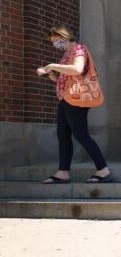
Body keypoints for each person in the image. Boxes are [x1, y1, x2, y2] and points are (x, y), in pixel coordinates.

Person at [35, 25, 112, 184]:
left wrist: (52, 65)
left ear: (65, 36)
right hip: (66, 99)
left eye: (57, 40)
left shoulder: (78, 50)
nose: (55, 44)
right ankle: (63, 172)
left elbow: (77, 69)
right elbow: (64, 79)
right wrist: (50, 74)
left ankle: (103, 169)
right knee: (63, 135)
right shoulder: (67, 54)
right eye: (53, 41)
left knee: (81, 135)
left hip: (76, 100)